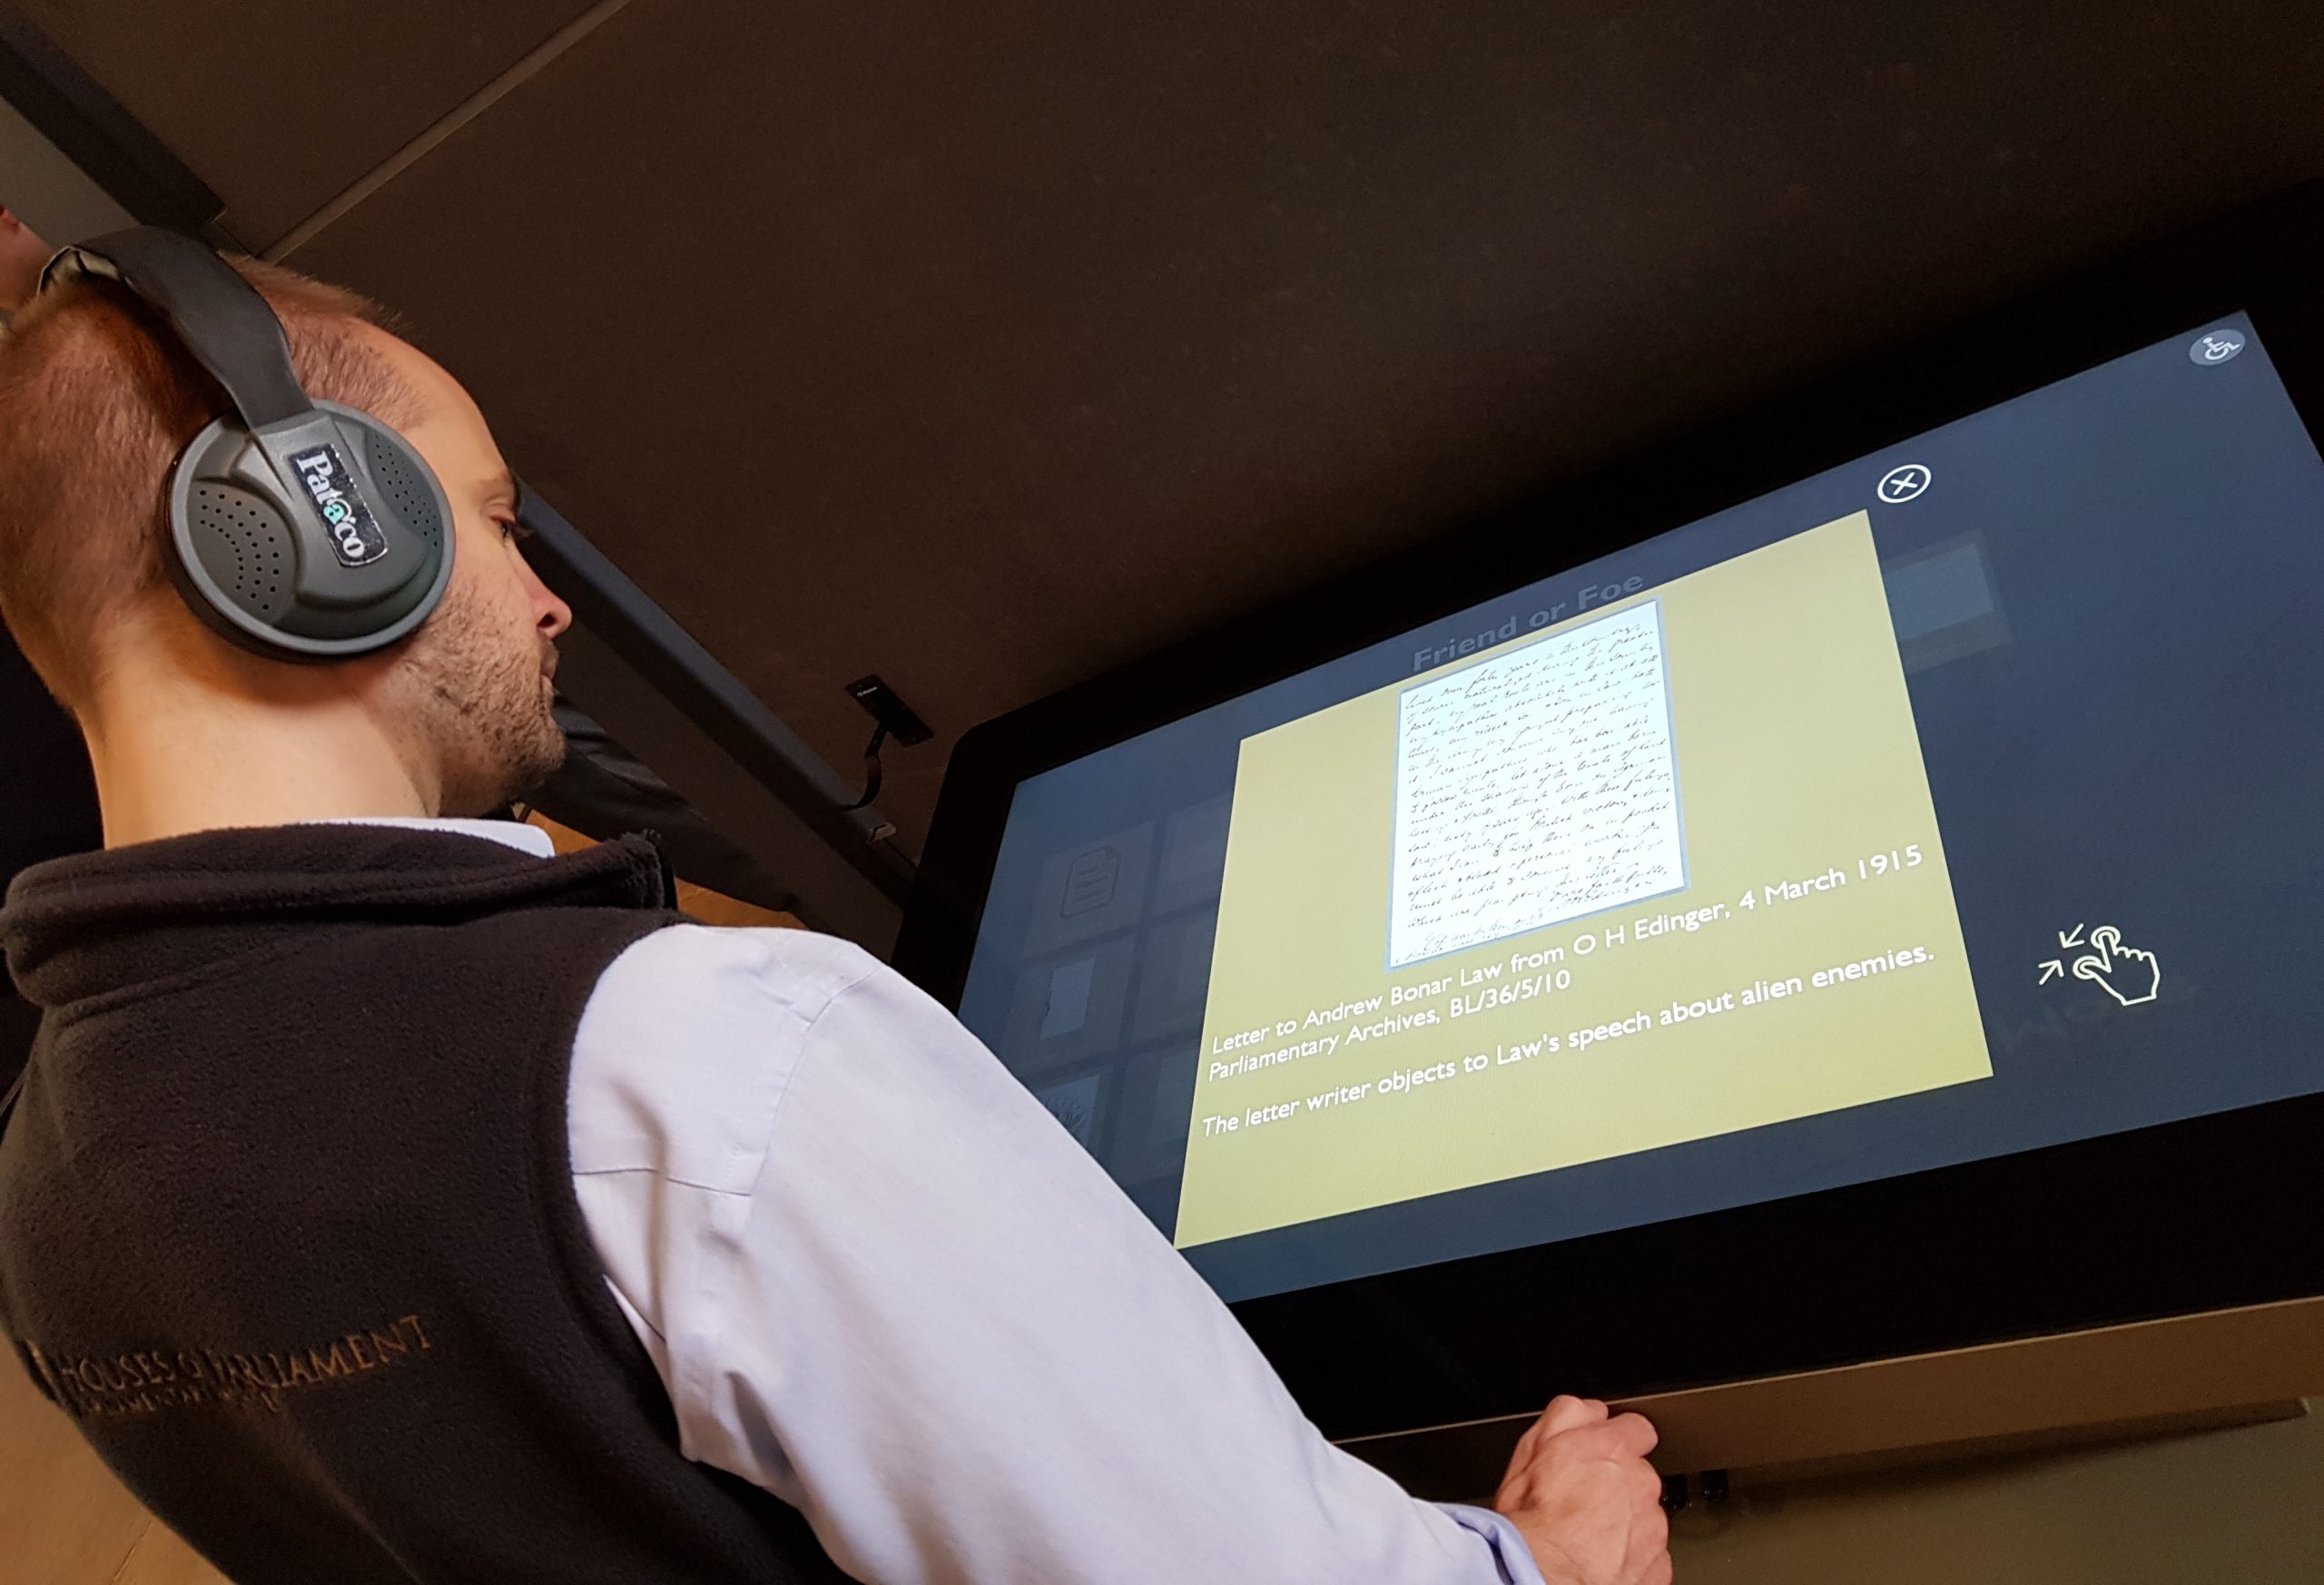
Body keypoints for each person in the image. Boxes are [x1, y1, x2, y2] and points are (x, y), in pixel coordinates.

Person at [0, 237, 1670, 1585]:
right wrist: (1545, 1562)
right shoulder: (691, 1059)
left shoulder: (46, 1203)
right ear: (318, 525)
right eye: (497, 520)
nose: (547, 597)